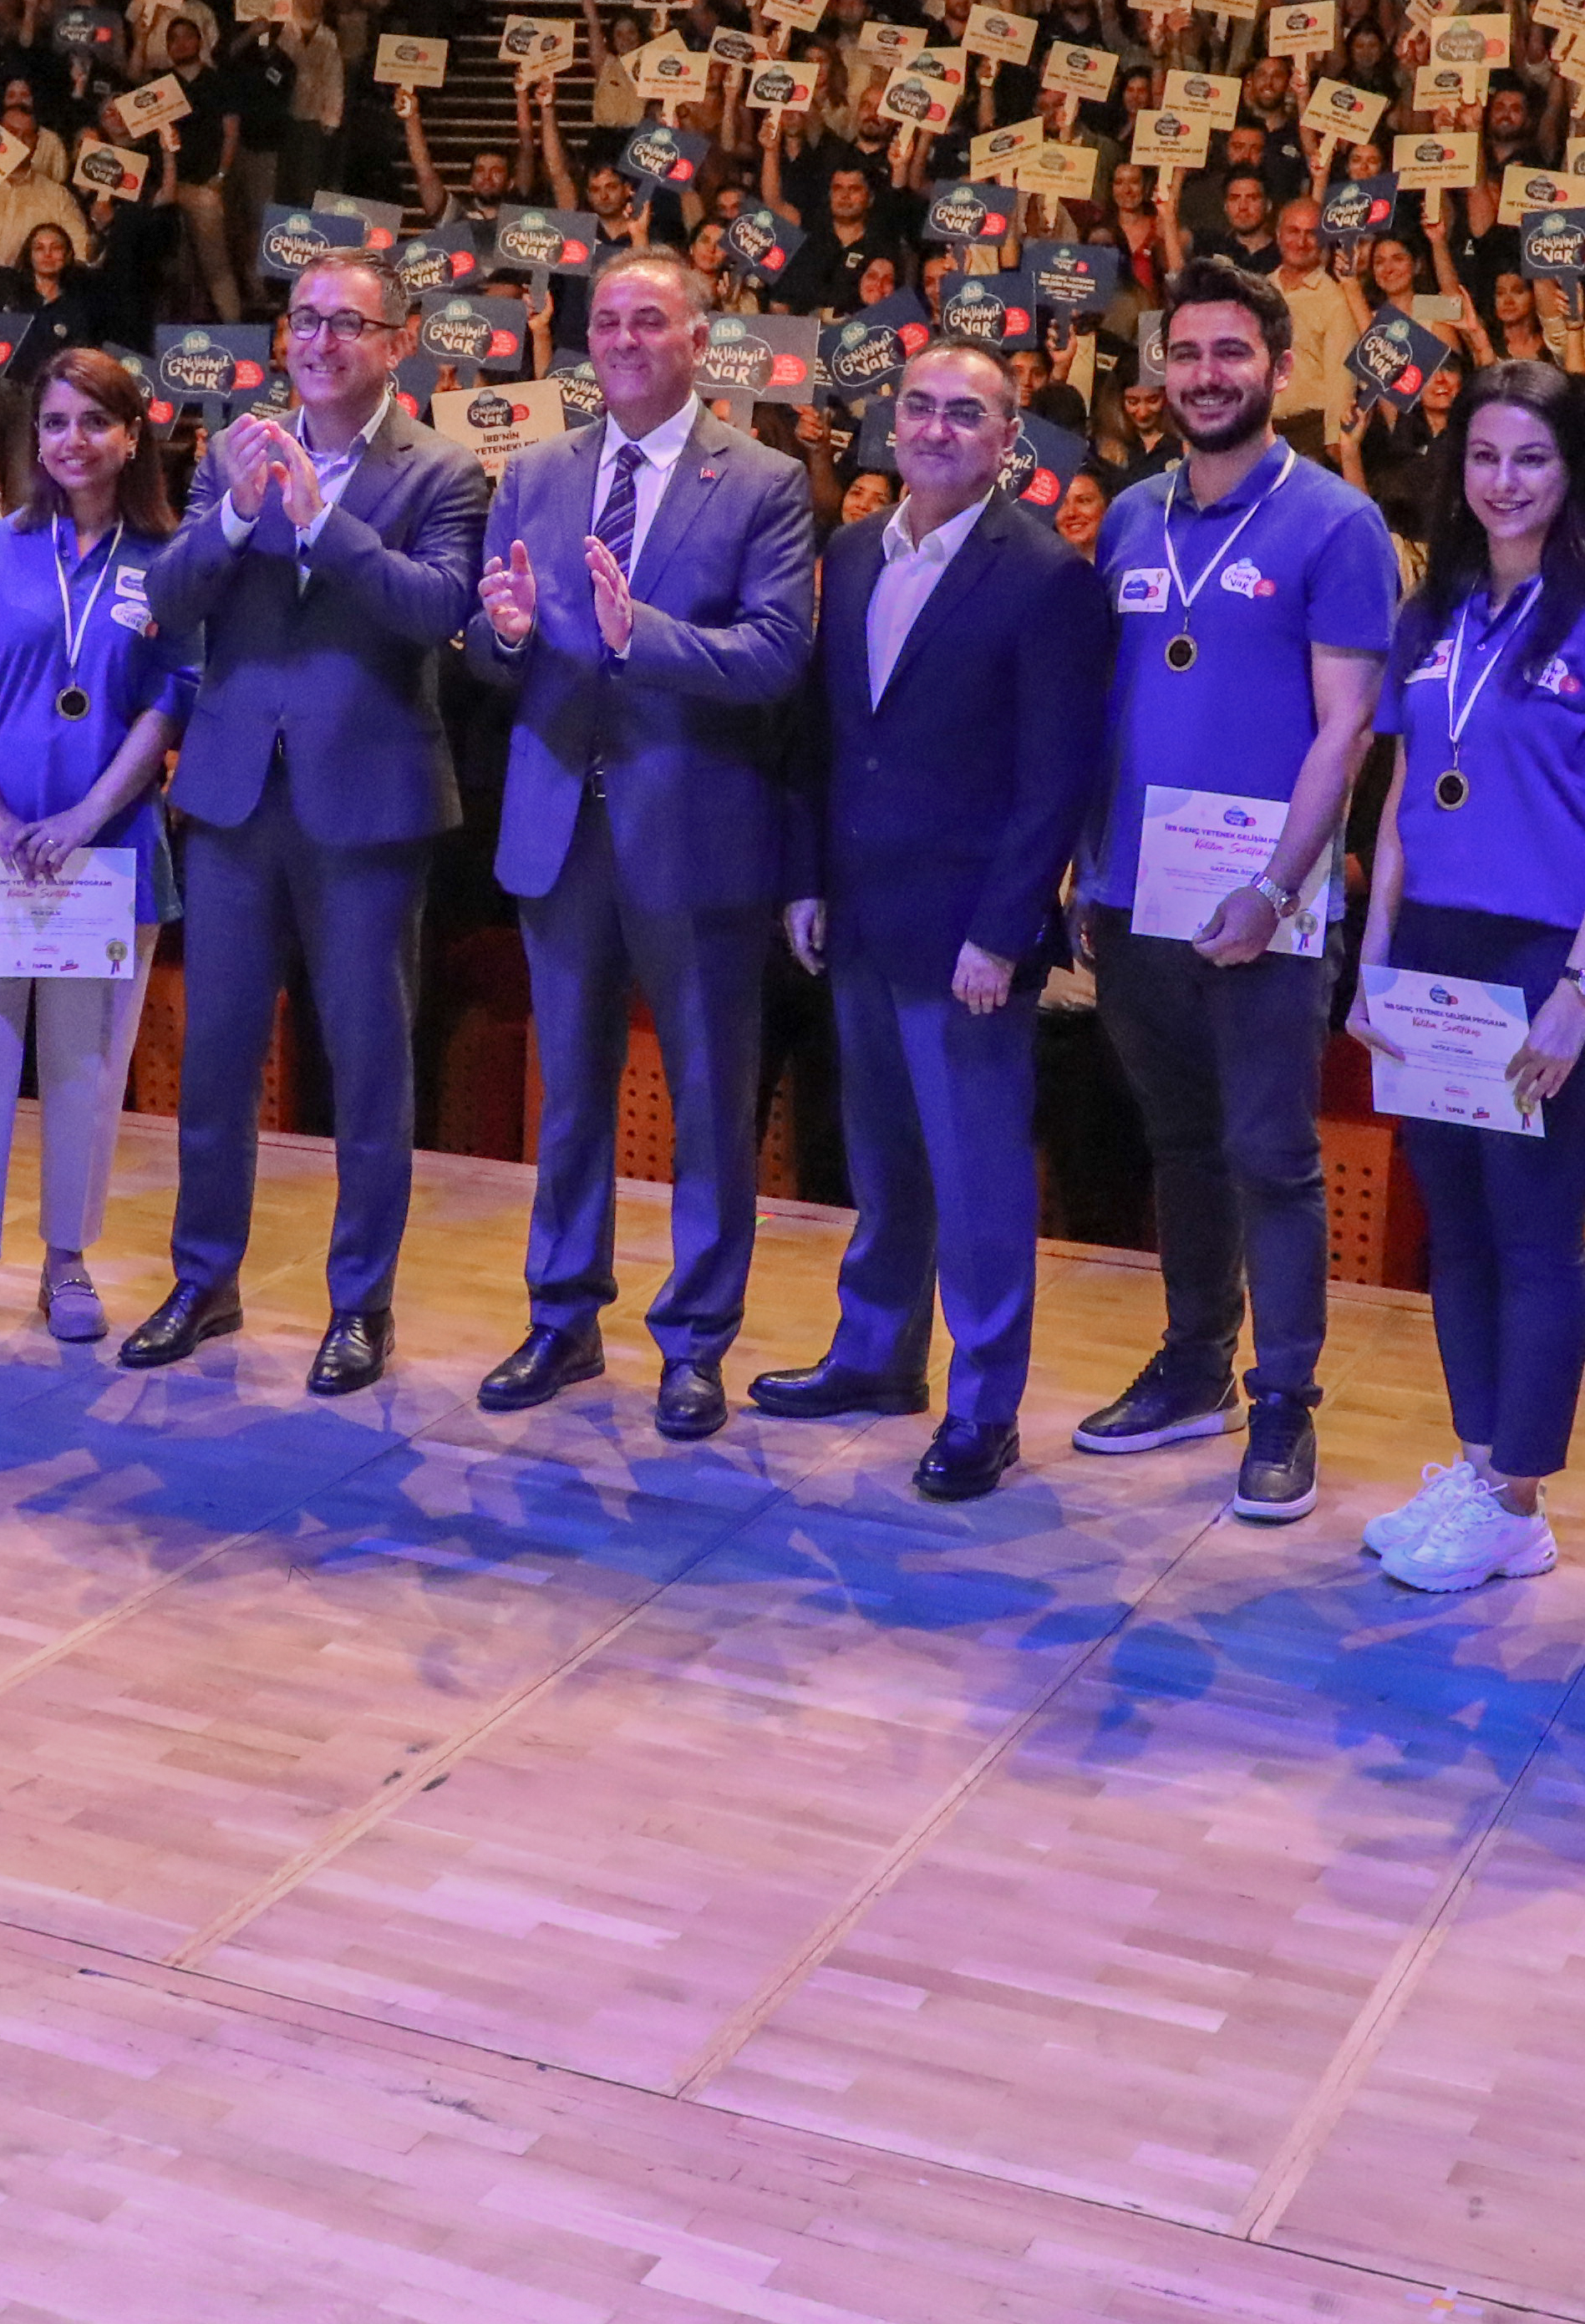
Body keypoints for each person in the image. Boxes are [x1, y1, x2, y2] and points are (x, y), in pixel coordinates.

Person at [458, 248, 819, 1437]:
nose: (622, 339)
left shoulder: (765, 480)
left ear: (698, 342)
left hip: (697, 836)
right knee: (571, 1098)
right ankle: (561, 1320)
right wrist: (501, 637)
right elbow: (496, 655)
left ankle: (696, 1339)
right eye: (606, 320)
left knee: (711, 1103)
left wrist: (640, 635)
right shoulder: (535, 475)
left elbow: (775, 659)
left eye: (648, 321)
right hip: (559, 827)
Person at [1063, 263, 1397, 1525]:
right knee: (1181, 1143)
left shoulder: (1337, 525)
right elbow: (1107, 712)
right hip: (1136, 895)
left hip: (1268, 906)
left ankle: (1285, 1404)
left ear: (1280, 368)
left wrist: (1274, 885)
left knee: (1274, 1155)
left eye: (1231, 354)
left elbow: (1347, 729)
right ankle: (1194, 1365)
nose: (1206, 376)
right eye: (1186, 355)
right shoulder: (1131, 520)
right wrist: (1086, 868)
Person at [124, 249, 490, 1391]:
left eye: (348, 323)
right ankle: (203, 1280)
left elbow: (437, 608)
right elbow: (167, 600)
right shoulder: (233, 451)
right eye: (304, 319)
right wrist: (235, 516)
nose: (321, 341)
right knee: (218, 1059)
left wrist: (321, 519)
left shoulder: (443, 470)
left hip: (367, 809)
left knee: (368, 1065)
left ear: (398, 340)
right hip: (234, 799)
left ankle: (361, 1303)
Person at [760, 340, 1110, 1497]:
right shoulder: (854, 550)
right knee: (886, 1164)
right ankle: (875, 1358)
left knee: (978, 1183)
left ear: (1009, 441)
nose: (939, 428)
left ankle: (985, 1405)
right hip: (860, 913)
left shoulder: (1047, 573)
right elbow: (830, 733)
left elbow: (1054, 775)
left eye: (969, 414)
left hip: (970, 939)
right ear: (888, 425)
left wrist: (1006, 932)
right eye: (921, 407)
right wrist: (807, 878)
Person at [1351, 365, 1585, 1594]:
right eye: (1484, 457)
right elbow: (1398, 793)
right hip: (1434, 949)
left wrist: (1582, 990)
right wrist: (1375, 959)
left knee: (1535, 1231)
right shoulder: (1433, 610)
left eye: (1531, 460)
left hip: (1547, 956)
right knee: (1459, 1225)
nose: (1504, 482)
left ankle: (1519, 1491)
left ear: (1575, 472)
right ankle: (1480, 1469)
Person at [0, 344, 188, 1360]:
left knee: (84, 1069)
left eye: (94, 422)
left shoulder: (167, 560)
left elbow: (168, 702)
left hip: (105, 859)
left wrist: (87, 817)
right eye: (56, 423)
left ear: (131, 434)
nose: (73, 441)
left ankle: (68, 1258)